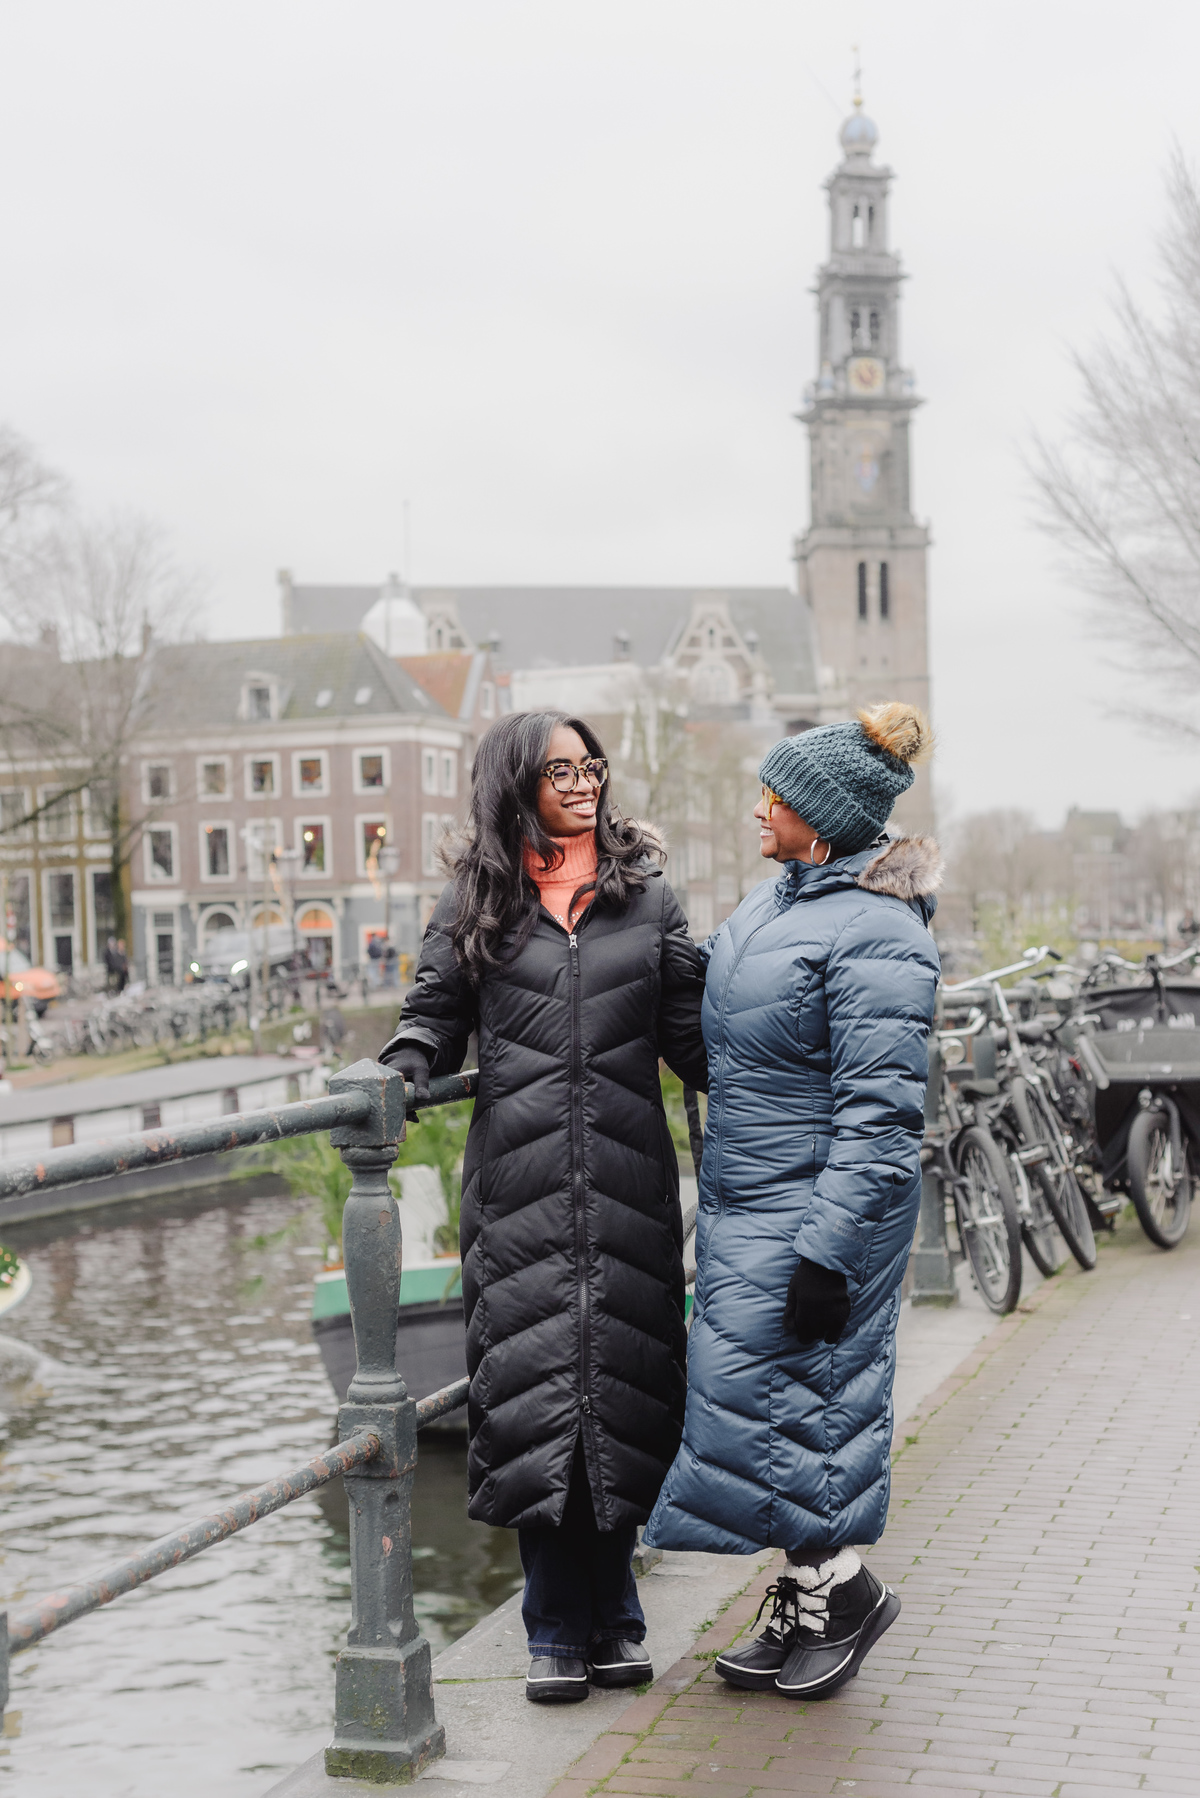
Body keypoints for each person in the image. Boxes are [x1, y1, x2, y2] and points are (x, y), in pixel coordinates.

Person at [379, 711, 707, 1705]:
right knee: (533, 1401)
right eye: (560, 767)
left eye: (590, 763)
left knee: (622, 1386)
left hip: (624, 1183)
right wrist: (399, 1067)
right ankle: (554, 1627)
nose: (583, 779)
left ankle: (618, 1614)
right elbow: (431, 1015)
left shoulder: (645, 899)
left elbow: (694, 1034)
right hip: (520, 1189)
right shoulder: (478, 898)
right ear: (517, 781)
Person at [644, 702, 941, 1703]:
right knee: (762, 1413)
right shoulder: (774, 906)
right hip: (748, 1202)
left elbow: (883, 1117)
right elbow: (720, 1015)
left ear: (818, 817)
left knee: (812, 1407)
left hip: (816, 1213)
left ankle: (838, 1597)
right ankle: (816, 1586)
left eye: (772, 794)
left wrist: (830, 1250)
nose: (756, 809)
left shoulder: (878, 934)